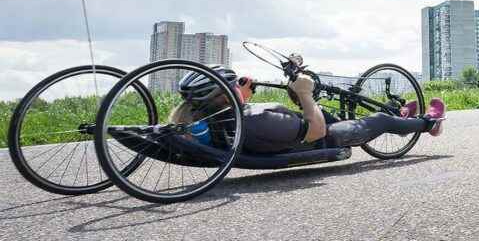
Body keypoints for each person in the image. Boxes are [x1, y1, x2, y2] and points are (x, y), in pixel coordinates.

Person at [170, 66, 445, 154]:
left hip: (293, 129)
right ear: (226, 95)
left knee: (330, 109)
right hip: (324, 137)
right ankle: (430, 124)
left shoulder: (215, 121)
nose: (246, 82)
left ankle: (402, 121)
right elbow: (316, 131)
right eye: (238, 83)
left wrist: (301, 100)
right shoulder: (258, 120)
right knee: (379, 120)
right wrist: (304, 94)